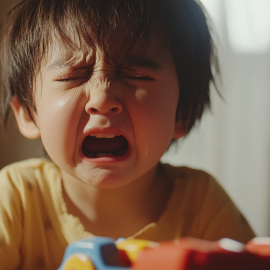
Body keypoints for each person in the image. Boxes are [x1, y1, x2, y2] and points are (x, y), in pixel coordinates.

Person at [0, 0, 255, 269]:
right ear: (29, 113)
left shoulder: (203, 204)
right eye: (74, 75)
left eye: (135, 75)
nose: (102, 97)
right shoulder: (15, 197)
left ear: (182, 112)